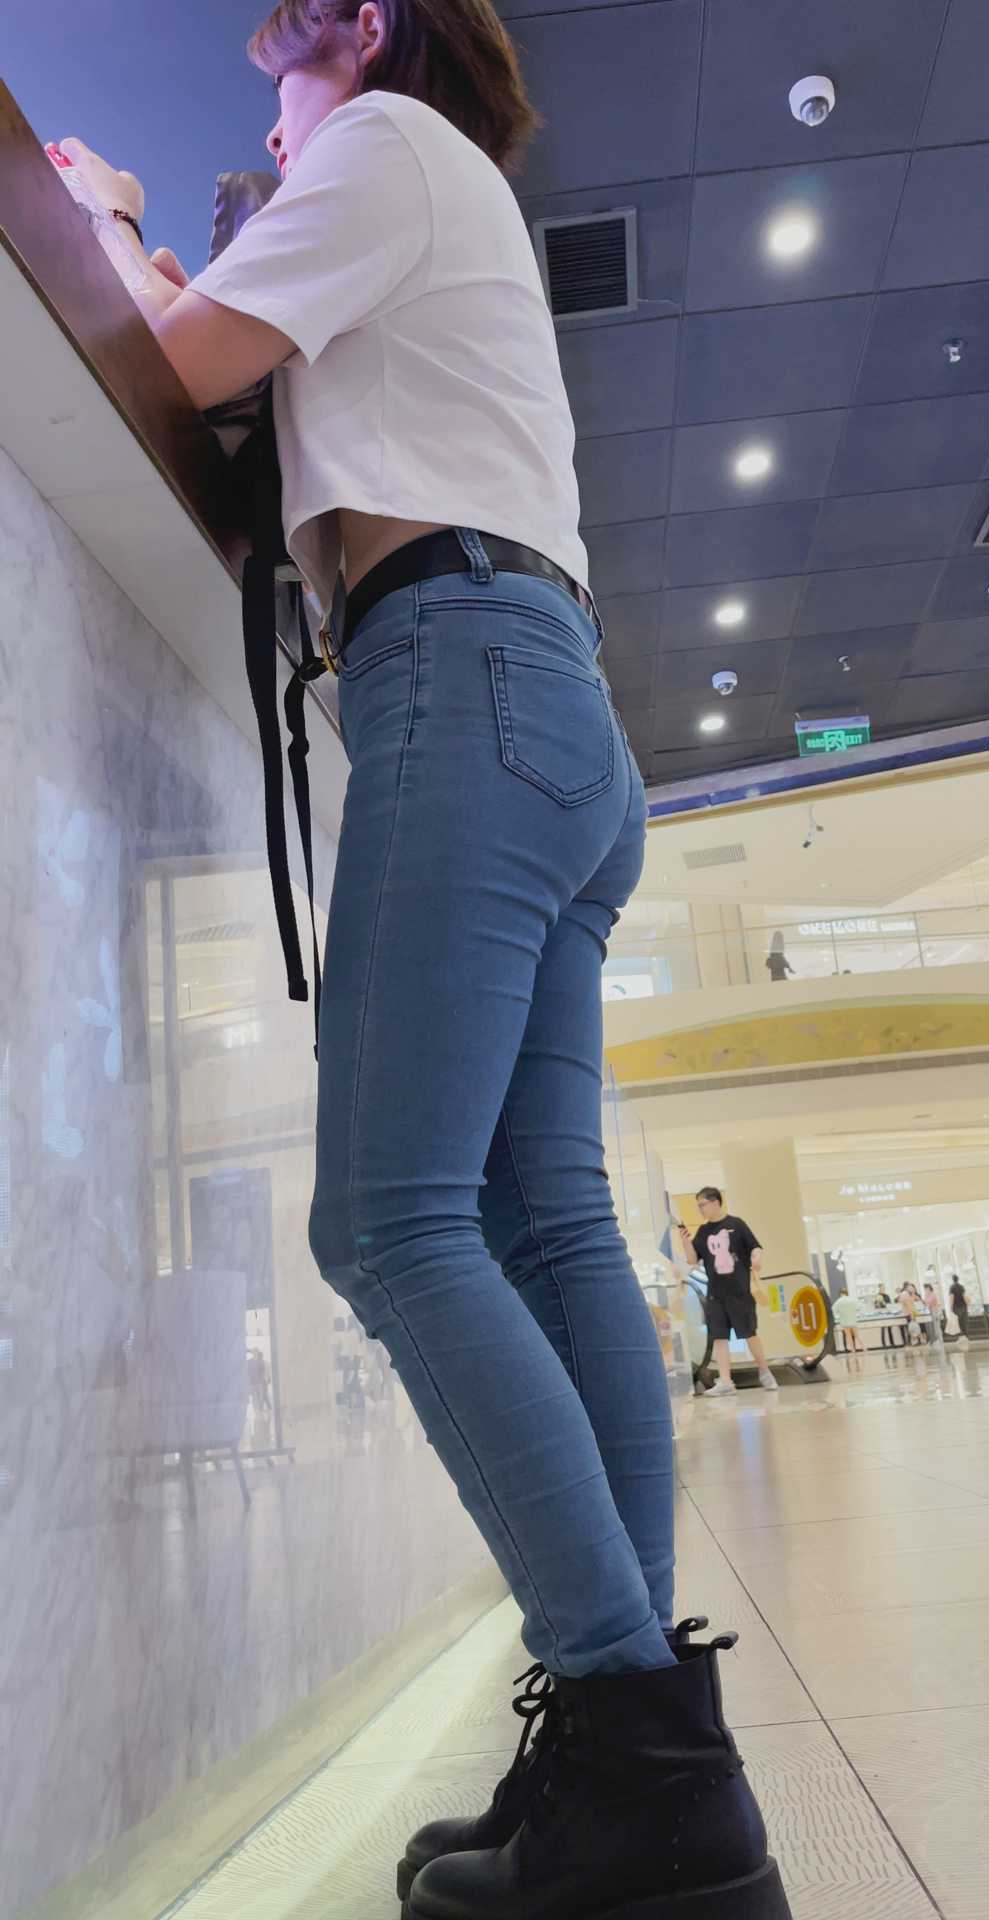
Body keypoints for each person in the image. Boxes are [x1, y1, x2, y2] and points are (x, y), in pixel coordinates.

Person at [53, 12, 791, 1920]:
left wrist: (110, 217)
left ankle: (642, 1750)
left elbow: (179, 361)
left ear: (370, 26)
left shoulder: (377, 148)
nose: (256, 64)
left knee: (388, 1224)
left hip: (457, 674)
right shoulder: (427, 181)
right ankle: (642, 1764)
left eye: (279, 38)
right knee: (547, 1225)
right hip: (547, 701)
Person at [680, 1187, 778, 1395]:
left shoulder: (736, 1224)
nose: (700, 1209)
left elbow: (755, 1246)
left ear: (716, 1202)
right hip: (715, 1294)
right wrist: (685, 1241)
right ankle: (725, 1381)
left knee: (749, 1333)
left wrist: (756, 1257)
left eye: (702, 1204)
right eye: (698, 1206)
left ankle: (764, 1371)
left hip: (739, 1292)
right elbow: (692, 1259)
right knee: (719, 1336)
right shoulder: (703, 1232)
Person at [832, 1285, 864, 1354]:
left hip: (845, 1322)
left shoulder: (838, 1301)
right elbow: (859, 1307)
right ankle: (864, 1348)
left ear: (840, 1293)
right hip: (853, 1321)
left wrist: (838, 1315)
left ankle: (853, 1351)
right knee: (857, 1336)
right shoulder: (852, 1300)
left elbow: (834, 1311)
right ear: (846, 1293)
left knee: (849, 1337)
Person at [923, 1281, 945, 1346]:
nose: (925, 1290)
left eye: (926, 1288)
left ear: (929, 1288)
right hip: (929, 1312)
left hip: (935, 1311)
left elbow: (929, 1303)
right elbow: (925, 1303)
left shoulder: (933, 1294)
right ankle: (934, 1341)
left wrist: (925, 1301)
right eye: (925, 1289)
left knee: (937, 1327)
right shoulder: (926, 1295)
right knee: (932, 1327)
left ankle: (940, 1341)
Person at [948, 1274, 969, 1340]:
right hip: (963, 1306)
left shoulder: (952, 1287)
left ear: (953, 1280)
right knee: (964, 1322)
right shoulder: (961, 1287)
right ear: (958, 1279)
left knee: (958, 1322)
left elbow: (952, 1297)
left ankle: (961, 1336)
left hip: (956, 1307)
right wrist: (967, 1304)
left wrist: (951, 1307)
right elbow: (964, 1296)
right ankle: (966, 1336)